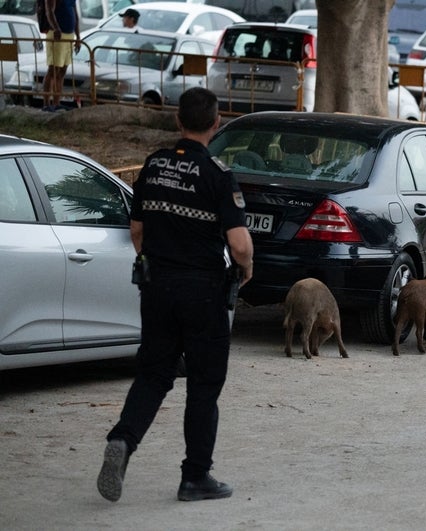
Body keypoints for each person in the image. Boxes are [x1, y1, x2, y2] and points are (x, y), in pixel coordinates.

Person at [96, 87, 254, 503]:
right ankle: (195, 477)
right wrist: (246, 268)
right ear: (216, 124)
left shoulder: (153, 165)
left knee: (153, 374)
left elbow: (137, 231)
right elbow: (239, 245)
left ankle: (123, 440)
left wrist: (157, 262)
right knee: (204, 385)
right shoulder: (219, 176)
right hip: (203, 292)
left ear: (177, 121)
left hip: (157, 287)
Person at [41, 0, 80, 112]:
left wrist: (78, 36)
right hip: (57, 35)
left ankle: (57, 103)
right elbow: (49, 11)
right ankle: (46, 104)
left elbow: (75, 15)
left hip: (69, 34)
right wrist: (56, 28)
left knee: (62, 70)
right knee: (53, 69)